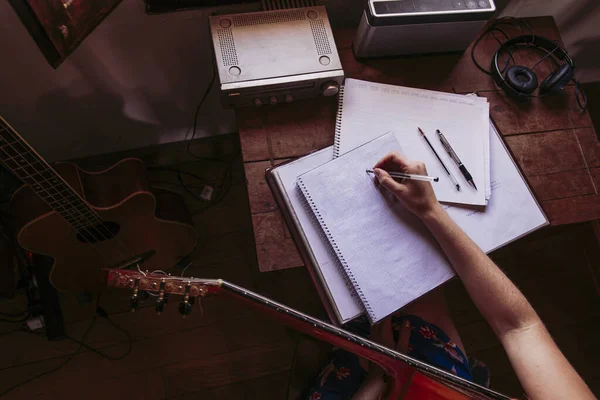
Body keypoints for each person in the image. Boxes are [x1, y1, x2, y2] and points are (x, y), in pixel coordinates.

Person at [306, 153, 595, 400]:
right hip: (445, 385)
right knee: (412, 290)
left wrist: (378, 379)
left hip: (378, 384)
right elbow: (519, 327)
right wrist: (430, 212)